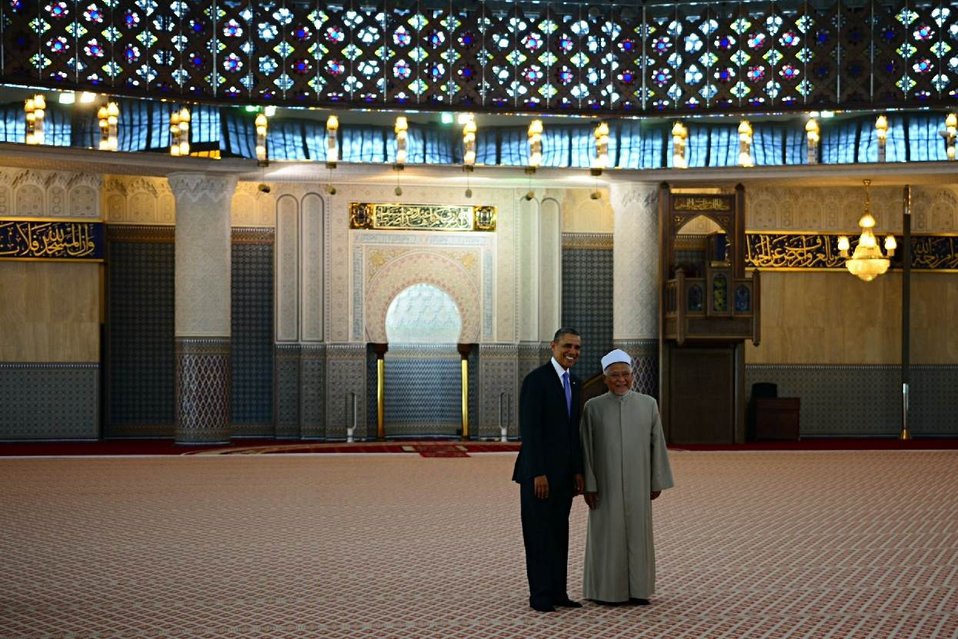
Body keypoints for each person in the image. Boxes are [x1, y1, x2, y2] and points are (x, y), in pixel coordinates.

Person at [580, 348, 674, 605]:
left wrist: (656, 481)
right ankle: (605, 591)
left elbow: (658, 445)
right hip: (605, 485)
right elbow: (586, 449)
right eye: (615, 375)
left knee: (637, 535)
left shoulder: (648, 404)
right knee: (607, 536)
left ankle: (638, 590)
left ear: (633, 376)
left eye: (626, 374)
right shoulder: (593, 408)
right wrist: (589, 484)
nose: (621, 380)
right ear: (605, 378)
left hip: (639, 483)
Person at [512, 328, 585, 613]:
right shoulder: (536, 381)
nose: (573, 352)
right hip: (537, 475)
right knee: (539, 535)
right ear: (553, 346)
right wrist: (538, 473)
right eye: (568, 346)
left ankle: (558, 591)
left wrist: (577, 471)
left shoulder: (576, 383)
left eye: (577, 348)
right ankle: (540, 595)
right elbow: (531, 431)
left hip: (564, 476)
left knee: (559, 533)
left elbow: (572, 433)